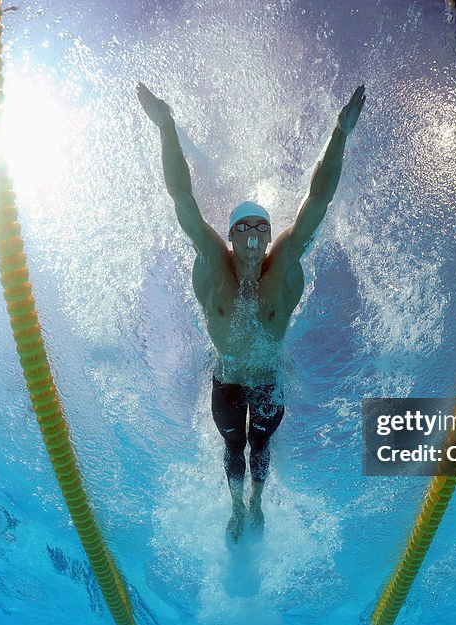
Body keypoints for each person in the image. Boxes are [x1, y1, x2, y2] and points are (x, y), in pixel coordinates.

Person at [137, 82, 366, 542]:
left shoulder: (280, 269)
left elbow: (316, 202)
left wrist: (340, 133)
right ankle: (236, 507)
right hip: (226, 376)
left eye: (262, 226)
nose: (256, 234)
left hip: (267, 376)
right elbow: (183, 199)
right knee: (233, 444)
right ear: (233, 234)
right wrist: (166, 126)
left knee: (260, 443)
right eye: (245, 228)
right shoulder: (212, 264)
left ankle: (257, 504)